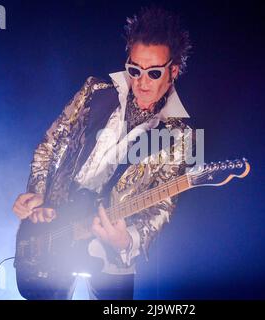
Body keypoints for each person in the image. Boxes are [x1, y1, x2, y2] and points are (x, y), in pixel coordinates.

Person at [12, 6, 195, 300]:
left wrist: (127, 241)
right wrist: (37, 192)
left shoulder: (179, 136)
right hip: (55, 229)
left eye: (154, 72)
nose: (141, 81)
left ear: (173, 71)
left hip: (110, 248)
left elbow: (162, 206)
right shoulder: (95, 90)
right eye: (134, 69)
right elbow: (50, 145)